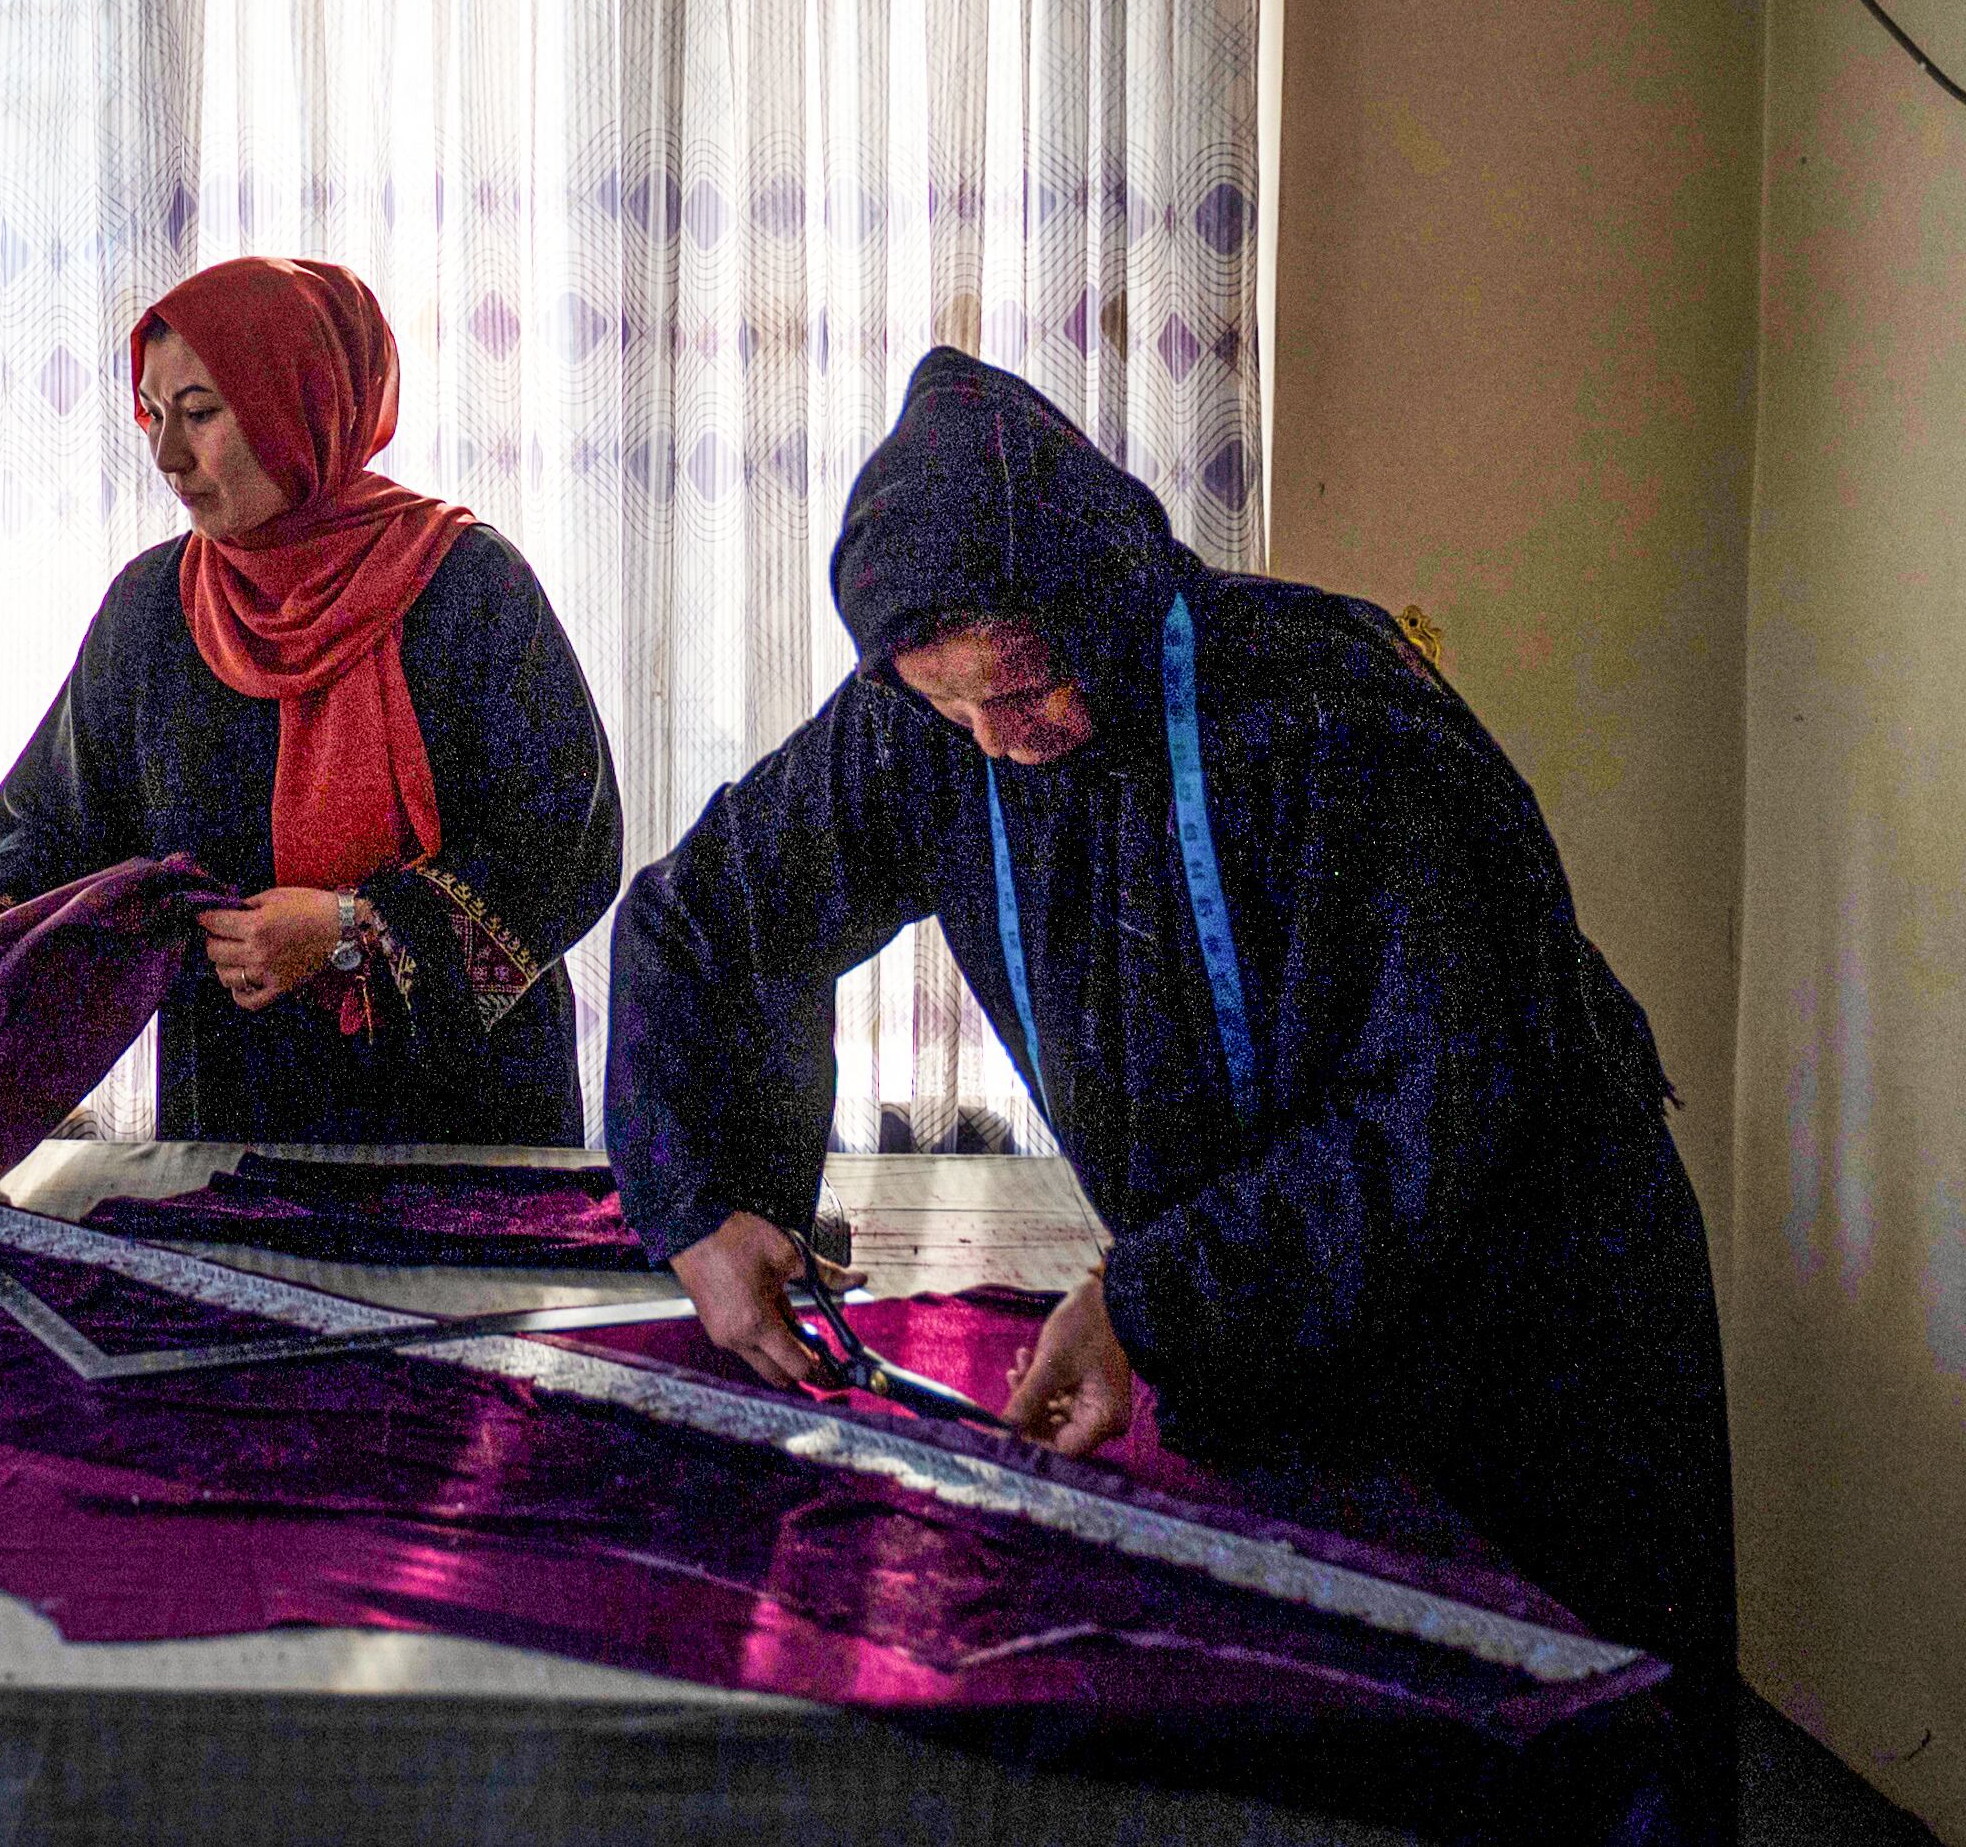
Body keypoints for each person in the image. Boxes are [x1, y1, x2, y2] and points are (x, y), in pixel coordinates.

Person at [607, 348, 1734, 1818]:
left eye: (1024, 689)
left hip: (1523, 1297)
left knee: (1565, 1735)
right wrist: (705, 1205)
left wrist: (1154, 1298)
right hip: (1280, 1294)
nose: (1002, 743)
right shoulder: (929, 728)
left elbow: (1429, 1109)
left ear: (1105, 598)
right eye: (955, 714)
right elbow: (699, 921)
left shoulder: (1333, 718)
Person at [0, 256, 620, 1142]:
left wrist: (357, 928)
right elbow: (52, 840)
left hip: (470, 1128)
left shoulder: (464, 585)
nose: (167, 456)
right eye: (153, 413)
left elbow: (570, 844)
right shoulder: (153, 613)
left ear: (298, 408)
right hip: (235, 1130)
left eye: (201, 414)